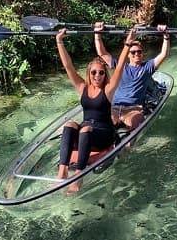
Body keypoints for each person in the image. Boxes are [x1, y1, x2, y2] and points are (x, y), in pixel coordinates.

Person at [56, 26, 136, 193]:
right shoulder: (82, 87)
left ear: (104, 74)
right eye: (94, 73)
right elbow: (68, 66)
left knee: (85, 128)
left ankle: (79, 176)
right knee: (70, 124)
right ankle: (62, 172)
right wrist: (59, 41)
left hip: (104, 134)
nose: (97, 76)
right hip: (86, 132)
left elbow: (120, 66)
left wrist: (127, 44)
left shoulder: (108, 90)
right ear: (89, 73)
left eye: (101, 73)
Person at [94, 22, 170, 130]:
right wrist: (97, 33)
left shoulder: (147, 67)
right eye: (133, 52)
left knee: (135, 126)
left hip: (134, 109)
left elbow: (164, 54)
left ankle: (127, 144)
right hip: (114, 108)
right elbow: (102, 53)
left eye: (139, 51)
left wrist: (166, 36)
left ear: (142, 53)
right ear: (128, 54)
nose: (136, 54)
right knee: (101, 127)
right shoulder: (120, 66)